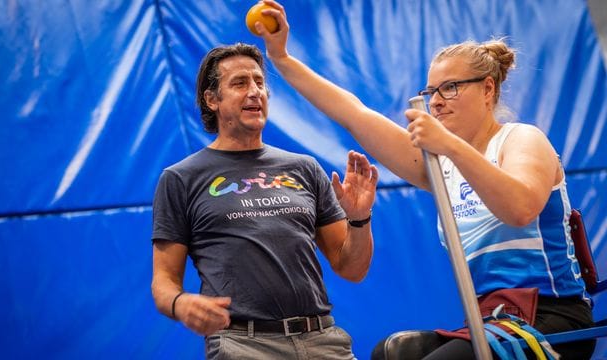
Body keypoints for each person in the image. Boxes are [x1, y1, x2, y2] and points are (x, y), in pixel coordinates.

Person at [253, 1, 596, 358]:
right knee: (391, 352)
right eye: (432, 92)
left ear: (488, 88)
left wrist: (448, 144)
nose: (437, 102)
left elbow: (520, 209)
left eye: (451, 88)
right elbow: (353, 113)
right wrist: (282, 60)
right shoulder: (440, 166)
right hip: (491, 320)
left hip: (553, 319)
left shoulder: (522, 139)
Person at [150, 42, 379, 359]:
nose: (255, 91)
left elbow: (352, 269)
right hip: (243, 345)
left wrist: (359, 218)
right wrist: (180, 303)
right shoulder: (181, 179)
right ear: (212, 99)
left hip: (322, 340)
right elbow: (163, 282)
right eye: (240, 83)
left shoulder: (304, 168)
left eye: (259, 82)